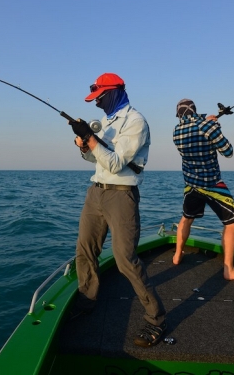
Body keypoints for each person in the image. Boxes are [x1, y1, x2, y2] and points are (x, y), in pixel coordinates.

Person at [68, 73, 167, 347]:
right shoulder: (108, 123)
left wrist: (91, 137)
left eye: (100, 96)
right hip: (95, 192)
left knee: (125, 260)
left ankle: (156, 319)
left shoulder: (136, 122)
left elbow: (113, 163)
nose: (97, 102)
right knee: (85, 251)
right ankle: (87, 301)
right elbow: (95, 158)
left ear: (114, 91)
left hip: (122, 196)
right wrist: (83, 144)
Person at [172, 98, 234, 280]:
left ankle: (177, 255)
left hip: (191, 185)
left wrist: (209, 122)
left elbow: (195, 128)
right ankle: (229, 269)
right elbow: (228, 152)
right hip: (212, 184)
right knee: (232, 222)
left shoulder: (176, 131)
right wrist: (215, 127)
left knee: (186, 219)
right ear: (194, 110)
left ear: (179, 115)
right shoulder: (207, 127)